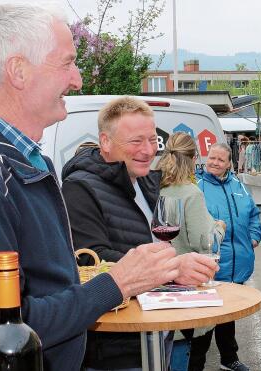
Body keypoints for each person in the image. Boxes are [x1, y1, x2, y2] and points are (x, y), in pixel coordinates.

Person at [0, 5, 182, 370]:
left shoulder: (28, 159)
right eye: (67, 63)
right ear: (18, 71)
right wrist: (117, 282)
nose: (77, 79)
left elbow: (50, 282)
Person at [61, 97, 219, 370]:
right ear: (106, 142)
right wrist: (171, 269)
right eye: (136, 141)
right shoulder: (79, 188)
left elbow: (152, 243)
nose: (148, 150)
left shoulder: (146, 181)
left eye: (152, 140)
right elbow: (91, 260)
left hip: (154, 333)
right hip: (115, 348)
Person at [153, 132, 226, 371]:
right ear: (194, 158)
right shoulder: (191, 193)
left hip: (157, 292)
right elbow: (203, 243)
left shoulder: (154, 187)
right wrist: (219, 228)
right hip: (187, 294)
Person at [190, 143, 261, 371]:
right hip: (211, 266)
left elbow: (253, 214)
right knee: (205, 321)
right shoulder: (197, 186)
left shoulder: (239, 186)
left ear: (229, 163)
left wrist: (254, 236)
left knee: (227, 315)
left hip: (237, 265)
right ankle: (195, 365)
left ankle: (229, 359)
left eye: (220, 160)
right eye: (212, 158)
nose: (214, 163)